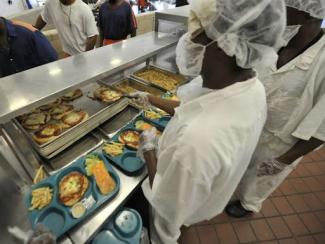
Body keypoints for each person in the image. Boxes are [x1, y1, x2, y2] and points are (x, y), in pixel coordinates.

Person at [133, 0, 286, 243]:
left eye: (196, 31)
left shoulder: (196, 143)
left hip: (173, 209)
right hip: (200, 197)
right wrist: (151, 99)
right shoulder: (251, 87)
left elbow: (165, 208)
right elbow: (194, 107)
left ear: (223, 46)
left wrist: (150, 149)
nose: (188, 39)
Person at [226, 0, 325, 218]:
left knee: (259, 179)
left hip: (279, 140)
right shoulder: (280, 37)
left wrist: (286, 158)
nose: (275, 9)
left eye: (284, 5)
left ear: (308, 15)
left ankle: (247, 203)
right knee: (238, 165)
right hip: (248, 123)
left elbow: (321, 126)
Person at [34, 0, 98, 57]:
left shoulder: (84, 9)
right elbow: (43, 18)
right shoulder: (51, 3)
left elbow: (93, 37)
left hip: (86, 53)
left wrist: (84, 56)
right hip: (68, 53)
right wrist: (33, 32)